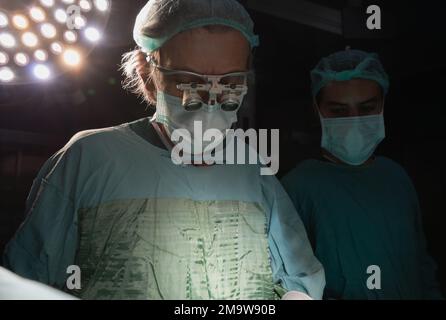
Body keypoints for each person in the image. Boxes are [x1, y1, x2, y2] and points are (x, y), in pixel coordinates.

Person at [3, 0, 324, 300]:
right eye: (188, 80)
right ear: (147, 74)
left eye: (229, 81)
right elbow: (26, 282)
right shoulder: (91, 158)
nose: (211, 98)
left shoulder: (250, 165)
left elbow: (300, 279)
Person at [282, 49, 442, 299]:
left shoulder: (396, 177)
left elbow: (420, 265)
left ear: (382, 106)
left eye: (367, 108)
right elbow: (286, 282)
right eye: (338, 111)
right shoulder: (298, 187)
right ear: (318, 111)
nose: (354, 121)